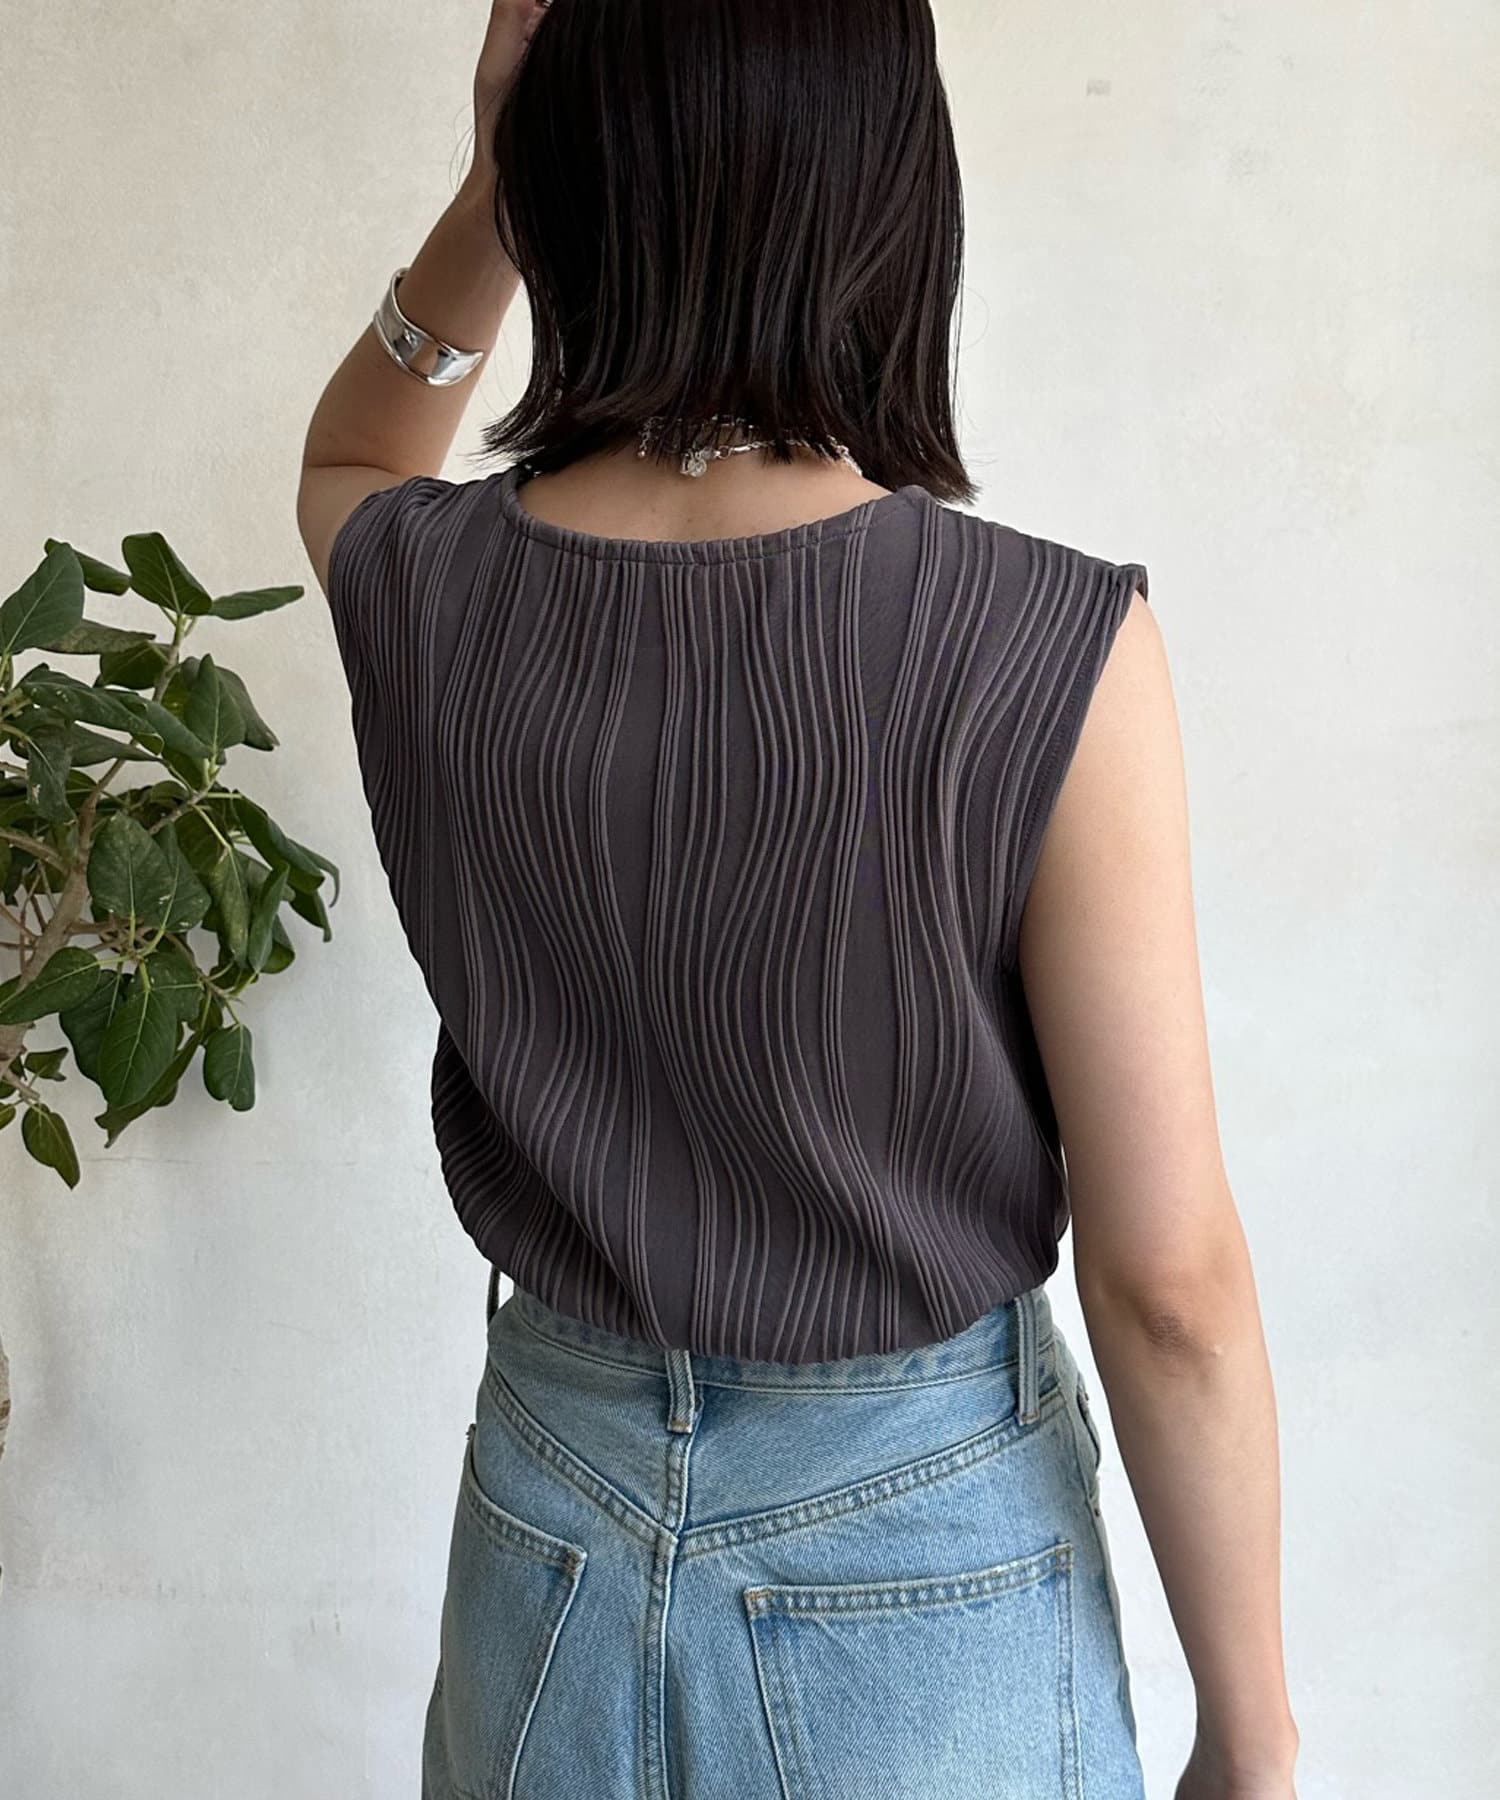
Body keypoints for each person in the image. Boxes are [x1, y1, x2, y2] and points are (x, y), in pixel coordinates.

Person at [295, 3, 1300, 1795]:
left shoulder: (427, 584)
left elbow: (353, 456)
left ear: (572, 172)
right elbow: (1170, 1287)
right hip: (923, 1546)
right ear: (892, 187)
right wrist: (1254, 1729)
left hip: (549, 1509)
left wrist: (492, 191)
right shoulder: (1047, 644)